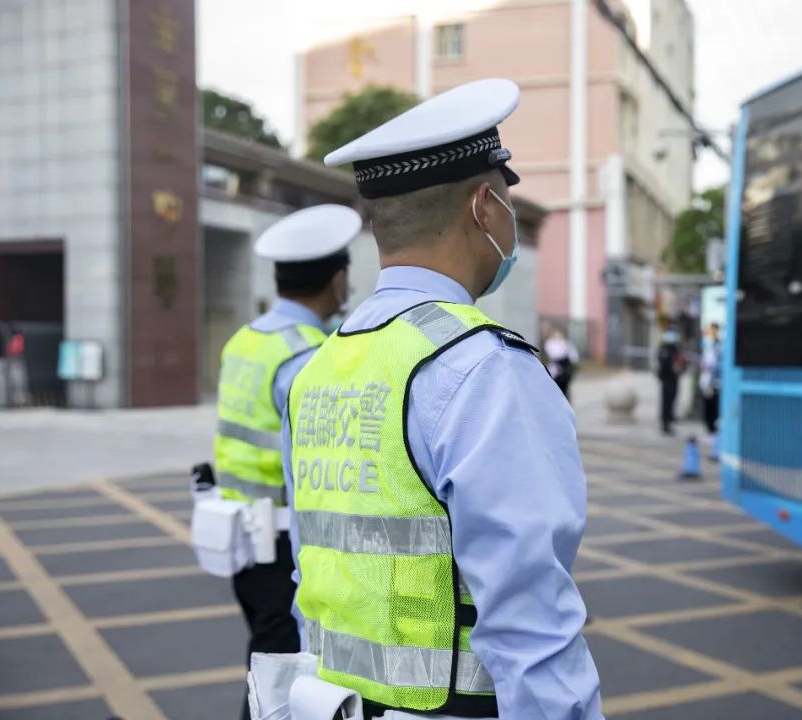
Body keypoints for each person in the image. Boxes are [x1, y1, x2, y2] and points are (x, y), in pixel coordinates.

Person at [273, 79, 602, 720]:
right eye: (507, 199)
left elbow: (307, 578)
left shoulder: (320, 367)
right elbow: (531, 623)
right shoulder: (480, 367)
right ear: (485, 207)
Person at [211, 204, 362, 720]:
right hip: (281, 545)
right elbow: (319, 469)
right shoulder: (309, 355)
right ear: (338, 280)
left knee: (264, 661)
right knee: (284, 674)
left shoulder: (246, 340)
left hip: (240, 540)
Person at [699, 322, 722, 439]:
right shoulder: (707, 345)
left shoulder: (720, 346)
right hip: (707, 382)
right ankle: (710, 430)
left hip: (715, 383)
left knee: (714, 408)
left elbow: (718, 366)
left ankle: (714, 432)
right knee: (707, 407)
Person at [657, 328, 682, 435]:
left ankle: (670, 418)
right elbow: (664, 363)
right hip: (667, 379)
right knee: (666, 402)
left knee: (672, 400)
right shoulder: (664, 348)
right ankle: (665, 423)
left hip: (674, 378)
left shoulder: (674, 347)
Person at [543, 327, 578, 398]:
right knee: (556, 387)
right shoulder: (550, 343)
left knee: (565, 389)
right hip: (556, 370)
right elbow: (552, 354)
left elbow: (574, 357)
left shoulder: (566, 343)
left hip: (565, 370)